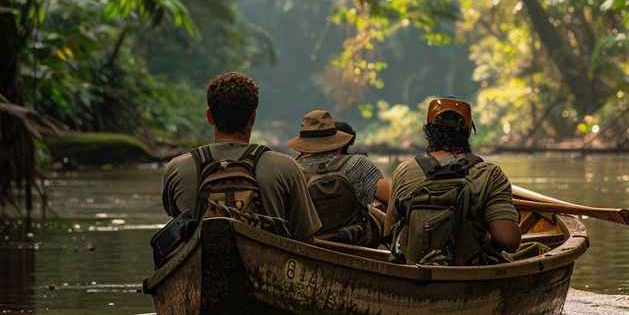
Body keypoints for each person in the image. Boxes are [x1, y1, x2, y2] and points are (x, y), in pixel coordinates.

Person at [161, 72, 321, 242]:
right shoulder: (286, 168)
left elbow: (175, 221)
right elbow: (305, 240)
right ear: (253, 117)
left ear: (209, 117)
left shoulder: (177, 168)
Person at [384, 97, 520, 265]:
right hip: (468, 272)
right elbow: (508, 240)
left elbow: (389, 232)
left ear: (428, 131)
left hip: (414, 268)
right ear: (468, 131)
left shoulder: (403, 171)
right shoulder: (490, 174)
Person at [289, 110, 389, 247]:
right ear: (335, 139)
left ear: (303, 144)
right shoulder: (358, 164)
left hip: (310, 245)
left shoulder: (292, 170)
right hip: (355, 244)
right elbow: (393, 198)